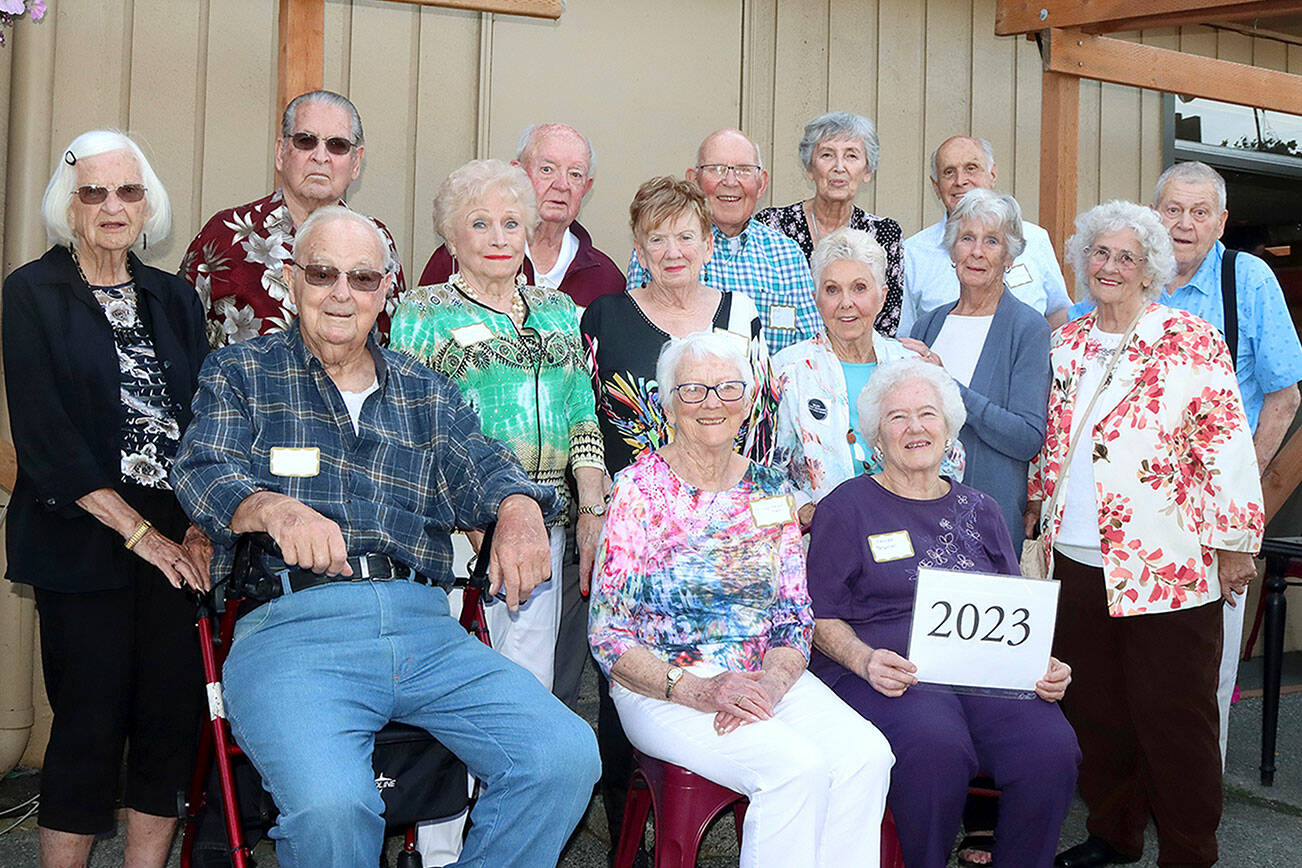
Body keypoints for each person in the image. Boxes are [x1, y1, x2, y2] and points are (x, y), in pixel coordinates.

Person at [171, 206, 600, 868]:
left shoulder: (424, 392)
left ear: (386, 290)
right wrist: (271, 509)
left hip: (424, 629)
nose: (342, 293)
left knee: (563, 756)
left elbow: (483, 466)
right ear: (292, 281)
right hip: (294, 632)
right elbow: (203, 470)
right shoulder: (243, 372)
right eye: (323, 274)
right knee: (335, 810)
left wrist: (517, 505)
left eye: (363, 278)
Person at [589, 331, 894, 868]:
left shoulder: (771, 489)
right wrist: (700, 691)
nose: (713, 403)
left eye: (729, 388)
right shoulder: (637, 489)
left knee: (867, 756)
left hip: (762, 675)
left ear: (749, 398)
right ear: (667, 401)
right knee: (793, 768)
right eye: (694, 390)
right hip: (662, 684)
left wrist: (772, 685)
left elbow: (794, 615)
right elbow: (608, 634)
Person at [1027, 201, 1263, 868]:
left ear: (1150, 269)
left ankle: (1190, 850)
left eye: (1126, 256)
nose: (1110, 266)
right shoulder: (1065, 343)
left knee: (1175, 718)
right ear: (1082, 260)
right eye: (1100, 253)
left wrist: (1236, 543)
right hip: (1072, 558)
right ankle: (1114, 833)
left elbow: (1225, 446)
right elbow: (1050, 448)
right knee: (1096, 713)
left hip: (1167, 564)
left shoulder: (1190, 339)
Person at [3, 129, 211, 868]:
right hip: (84, 530)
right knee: (88, 726)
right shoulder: (31, 292)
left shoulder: (175, 296)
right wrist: (139, 535)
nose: (113, 206)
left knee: (167, 719)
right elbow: (47, 437)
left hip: (172, 530)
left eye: (128, 191)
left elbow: (204, 422)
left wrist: (196, 528)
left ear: (147, 200)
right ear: (69, 202)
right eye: (94, 191)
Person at [1067, 162, 1302, 759]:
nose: (1185, 223)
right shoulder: (1121, 273)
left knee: (1200, 676)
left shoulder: (1246, 280)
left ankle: (1190, 808)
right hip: (1125, 526)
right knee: (1121, 674)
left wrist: (1242, 498)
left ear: (1222, 222)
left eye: (1201, 213)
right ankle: (1129, 802)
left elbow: (1283, 395)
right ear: (1153, 213)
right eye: (1172, 209)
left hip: (1210, 518)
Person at [806, 358, 1079, 868]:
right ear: (875, 438)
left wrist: (1042, 662)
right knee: (936, 748)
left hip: (979, 670)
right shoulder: (847, 507)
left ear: (949, 427)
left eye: (927, 414)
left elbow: (1014, 612)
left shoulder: (982, 508)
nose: (915, 428)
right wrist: (863, 659)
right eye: (897, 418)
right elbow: (818, 615)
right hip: (885, 668)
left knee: (1051, 748)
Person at [582, 175, 772, 863]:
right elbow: (590, 421)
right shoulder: (604, 315)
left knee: (728, 648)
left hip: (726, 521)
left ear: (706, 244)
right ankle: (624, 828)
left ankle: (739, 790)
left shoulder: (742, 312)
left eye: (685, 235)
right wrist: (594, 513)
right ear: (638, 244)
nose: (671, 250)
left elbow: (763, 426)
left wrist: (764, 524)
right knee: (624, 660)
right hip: (638, 521)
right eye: (656, 237)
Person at [391, 158, 606, 691]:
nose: (499, 238)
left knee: (527, 678)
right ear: (451, 236)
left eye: (512, 223)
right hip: (463, 529)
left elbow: (582, 409)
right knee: (460, 675)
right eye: (480, 223)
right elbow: (411, 426)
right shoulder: (424, 311)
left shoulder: (557, 309)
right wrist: (472, 522)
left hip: (545, 525)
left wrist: (592, 506)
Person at [180, 89, 406, 347]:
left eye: (337, 145)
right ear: (281, 152)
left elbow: (392, 347)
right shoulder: (224, 235)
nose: (321, 157)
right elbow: (179, 338)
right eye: (306, 141)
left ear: (356, 162)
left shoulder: (377, 240)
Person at [773, 227, 963, 528]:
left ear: (882, 296)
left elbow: (951, 457)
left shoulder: (911, 366)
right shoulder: (787, 371)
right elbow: (766, 470)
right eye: (832, 290)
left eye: (859, 288)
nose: (846, 302)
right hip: (823, 541)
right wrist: (808, 511)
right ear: (816, 298)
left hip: (909, 530)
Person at [905, 188, 1050, 544]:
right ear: (953, 249)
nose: (977, 252)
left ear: (1010, 256)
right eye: (967, 238)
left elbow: (1027, 438)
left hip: (988, 516)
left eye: (992, 241)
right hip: (920, 511)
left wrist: (949, 387)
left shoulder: (1028, 328)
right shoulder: (929, 325)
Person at [625, 129, 820, 355]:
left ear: (762, 183)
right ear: (693, 180)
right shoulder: (664, 252)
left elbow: (811, 352)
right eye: (716, 169)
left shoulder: (786, 255)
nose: (730, 181)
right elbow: (637, 336)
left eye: (744, 170)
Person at [419, 122, 625, 309]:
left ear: (586, 187)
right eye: (547, 169)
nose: (562, 185)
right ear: (518, 173)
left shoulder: (606, 278)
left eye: (575, 175)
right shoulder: (462, 256)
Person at [900, 136, 1070, 334]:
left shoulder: (1034, 239)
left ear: (993, 174)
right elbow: (905, 336)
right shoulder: (912, 253)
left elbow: (1059, 313)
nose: (960, 181)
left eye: (971, 168)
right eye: (949, 172)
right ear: (936, 186)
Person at [756, 111, 904, 334]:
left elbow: (886, 321)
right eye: (827, 155)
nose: (839, 167)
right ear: (809, 168)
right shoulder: (772, 226)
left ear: (867, 171)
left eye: (851, 156)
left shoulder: (884, 234)